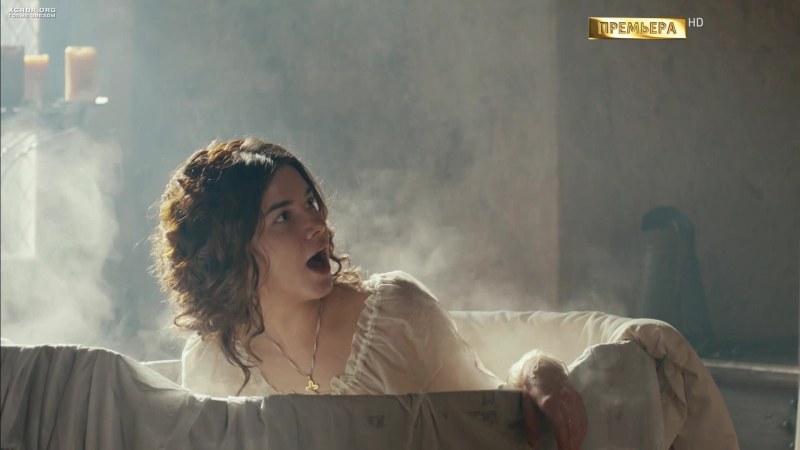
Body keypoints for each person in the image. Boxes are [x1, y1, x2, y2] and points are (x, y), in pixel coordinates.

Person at [150, 137, 587, 449]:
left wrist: (539, 367)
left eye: (310, 203)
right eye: (284, 217)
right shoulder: (212, 364)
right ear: (230, 249)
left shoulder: (396, 315)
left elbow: (492, 418)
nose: (317, 224)